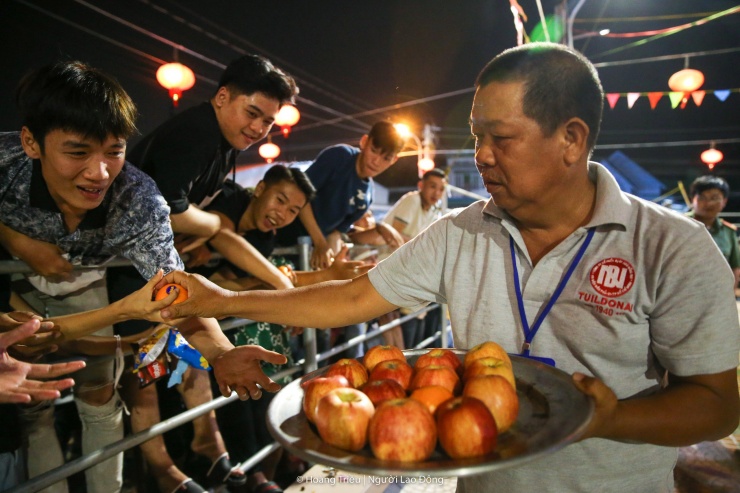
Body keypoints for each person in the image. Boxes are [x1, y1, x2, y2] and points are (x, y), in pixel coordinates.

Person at [157, 43, 740, 493]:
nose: (481, 154)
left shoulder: (672, 247)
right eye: (476, 135)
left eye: (500, 137)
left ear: (571, 138)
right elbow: (351, 299)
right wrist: (217, 299)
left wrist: (608, 419)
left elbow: (718, 403)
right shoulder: (460, 231)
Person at [0, 61, 285, 493]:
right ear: (31, 143)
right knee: (31, 414)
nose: (99, 174)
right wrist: (13, 239)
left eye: (114, 151)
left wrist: (222, 351)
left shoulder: (137, 198)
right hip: (11, 292)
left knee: (99, 398)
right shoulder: (5, 166)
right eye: (77, 152)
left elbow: (176, 288)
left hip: (88, 287)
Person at [197, 164, 370, 493]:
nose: (283, 214)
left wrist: (328, 276)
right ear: (260, 188)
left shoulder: (265, 238)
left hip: (228, 330)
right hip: (190, 326)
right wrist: (272, 283)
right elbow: (220, 280)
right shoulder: (228, 202)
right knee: (240, 393)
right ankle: (248, 473)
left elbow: (258, 283)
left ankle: (260, 473)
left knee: (264, 388)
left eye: (293, 210)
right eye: (280, 200)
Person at [276, 121, 406, 269]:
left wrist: (331, 266)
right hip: (280, 235)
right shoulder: (340, 157)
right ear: (364, 141)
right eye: (374, 150)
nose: (376, 161)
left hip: (308, 257)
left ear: (394, 160)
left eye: (386, 158)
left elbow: (336, 233)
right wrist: (320, 243)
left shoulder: (367, 198)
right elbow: (300, 195)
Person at [382, 168, 447, 348]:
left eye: (441, 189)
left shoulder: (433, 211)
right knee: (408, 331)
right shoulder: (412, 200)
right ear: (421, 185)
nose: (437, 193)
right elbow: (394, 236)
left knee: (424, 328)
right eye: (432, 186)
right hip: (391, 267)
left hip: (411, 272)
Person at [687, 175, 740, 289]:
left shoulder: (728, 231)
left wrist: (729, 295)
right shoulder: (679, 225)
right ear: (692, 200)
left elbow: (735, 267)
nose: (708, 203)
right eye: (702, 198)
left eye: (714, 198)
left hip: (717, 295)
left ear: (724, 201)